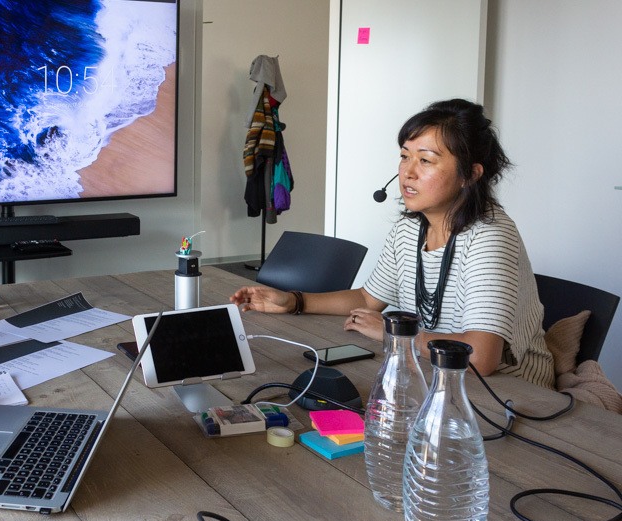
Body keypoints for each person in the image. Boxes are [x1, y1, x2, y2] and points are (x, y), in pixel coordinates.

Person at [231, 99, 554, 389]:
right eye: (404, 156)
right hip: (436, 374)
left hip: (512, 393)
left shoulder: (490, 238)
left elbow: (481, 358)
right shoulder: (410, 227)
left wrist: (393, 334)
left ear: (470, 174)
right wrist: (293, 301)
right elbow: (368, 299)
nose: (407, 173)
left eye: (426, 160)